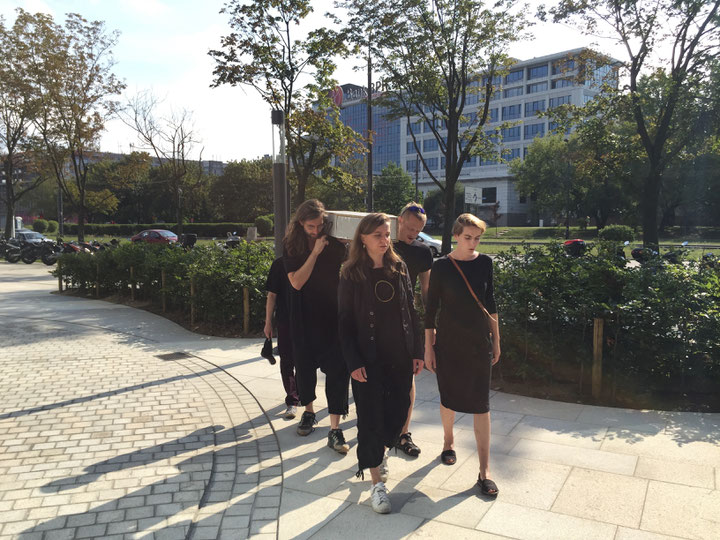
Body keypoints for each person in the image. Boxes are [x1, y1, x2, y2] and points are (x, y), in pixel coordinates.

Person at [338, 213, 424, 514]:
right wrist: (352, 361)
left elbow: (411, 312)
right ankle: (376, 484)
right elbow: (345, 323)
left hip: (399, 358)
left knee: (397, 414)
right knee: (370, 420)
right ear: (362, 238)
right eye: (378, 235)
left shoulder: (399, 267)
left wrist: (418, 350)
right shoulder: (351, 273)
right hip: (367, 361)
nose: (385, 239)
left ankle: (379, 451)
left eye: (387, 234)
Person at [423, 213, 501, 498]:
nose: (472, 243)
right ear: (456, 235)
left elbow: (490, 301)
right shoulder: (441, 266)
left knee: (482, 404)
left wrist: (497, 338)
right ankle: (448, 442)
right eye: (467, 237)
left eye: (477, 238)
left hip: (479, 342)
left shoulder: (485, 263)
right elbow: (431, 310)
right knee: (449, 396)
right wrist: (428, 347)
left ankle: (485, 471)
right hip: (449, 343)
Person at [283, 199, 351, 454]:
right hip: (302, 316)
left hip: (332, 316)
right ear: (301, 223)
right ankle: (309, 413)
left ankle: (335, 428)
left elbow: (350, 265)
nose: (316, 230)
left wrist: (350, 246)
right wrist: (314, 252)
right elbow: (297, 283)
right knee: (305, 369)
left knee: (337, 370)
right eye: (311, 226)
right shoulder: (292, 245)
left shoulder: (333, 243)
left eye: (320, 224)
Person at [392, 202, 433, 457]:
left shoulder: (423, 252)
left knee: (409, 377)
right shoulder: (382, 244)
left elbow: (427, 290)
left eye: (418, 230)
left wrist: (430, 325)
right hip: (379, 322)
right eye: (409, 228)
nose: (413, 234)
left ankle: (403, 433)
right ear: (399, 220)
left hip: (409, 320)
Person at [264, 257, 300, 419]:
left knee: (304, 360)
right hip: (285, 320)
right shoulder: (280, 264)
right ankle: (292, 400)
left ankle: (300, 393)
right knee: (287, 360)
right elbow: (272, 295)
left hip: (307, 321)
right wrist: (268, 323)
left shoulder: (311, 260)